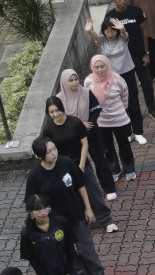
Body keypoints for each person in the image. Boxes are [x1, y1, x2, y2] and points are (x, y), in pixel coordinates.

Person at [26, 137, 108, 275]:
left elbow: (81, 185)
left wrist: (88, 208)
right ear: (40, 156)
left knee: (86, 248)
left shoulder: (67, 163)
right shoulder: (35, 176)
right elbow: (31, 201)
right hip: (55, 223)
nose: (54, 153)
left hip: (76, 215)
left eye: (54, 149)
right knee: (67, 251)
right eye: (49, 152)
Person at [41, 96, 117, 225]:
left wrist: (81, 165)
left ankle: (105, 219)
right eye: (51, 112)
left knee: (93, 192)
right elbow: (51, 151)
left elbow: (84, 144)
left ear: (63, 108)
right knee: (73, 196)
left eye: (57, 110)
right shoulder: (48, 129)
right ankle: (85, 221)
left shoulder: (75, 122)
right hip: (64, 167)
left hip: (81, 163)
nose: (56, 114)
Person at [85, 10, 150, 141]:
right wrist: (89, 30)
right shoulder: (103, 41)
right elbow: (94, 35)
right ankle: (127, 133)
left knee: (132, 102)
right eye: (107, 31)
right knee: (119, 105)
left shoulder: (122, 38)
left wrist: (122, 29)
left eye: (112, 31)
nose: (110, 34)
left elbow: (125, 35)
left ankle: (138, 132)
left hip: (127, 74)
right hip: (112, 77)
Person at [104, 0, 155, 122]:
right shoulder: (110, 17)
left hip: (139, 54)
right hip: (122, 59)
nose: (123, 1)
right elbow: (108, 38)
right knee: (129, 88)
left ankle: (152, 109)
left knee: (147, 83)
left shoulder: (136, 11)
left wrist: (146, 53)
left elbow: (144, 33)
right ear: (113, 0)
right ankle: (132, 112)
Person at [85, 55, 137, 183]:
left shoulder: (117, 78)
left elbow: (125, 97)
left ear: (107, 65)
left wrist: (121, 110)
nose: (100, 70)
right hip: (101, 121)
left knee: (124, 145)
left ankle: (129, 169)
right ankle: (114, 170)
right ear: (92, 68)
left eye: (102, 66)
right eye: (96, 67)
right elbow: (88, 100)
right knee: (107, 148)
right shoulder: (88, 81)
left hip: (119, 119)